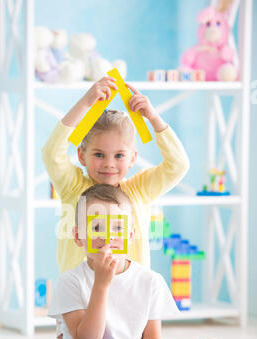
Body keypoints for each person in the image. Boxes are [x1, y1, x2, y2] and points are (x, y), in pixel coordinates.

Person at [48, 184, 226, 339]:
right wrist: (101, 284)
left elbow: (154, 338)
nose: (108, 237)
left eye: (118, 228)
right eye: (96, 227)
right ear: (78, 236)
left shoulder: (150, 280)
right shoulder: (70, 281)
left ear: (131, 234)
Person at [42, 75, 190, 274]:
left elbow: (178, 165)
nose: (109, 164)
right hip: (81, 292)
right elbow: (52, 154)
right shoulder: (73, 187)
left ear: (132, 158)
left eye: (119, 155)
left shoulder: (139, 190)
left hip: (130, 292)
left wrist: (154, 118)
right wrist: (85, 103)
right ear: (82, 156)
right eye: (99, 154)